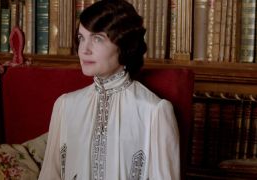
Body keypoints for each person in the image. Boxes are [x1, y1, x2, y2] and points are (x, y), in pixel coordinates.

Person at [38, 0, 180, 179]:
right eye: (82, 38)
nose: (84, 50)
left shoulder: (154, 111)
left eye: (97, 38)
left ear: (124, 45)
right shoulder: (65, 106)